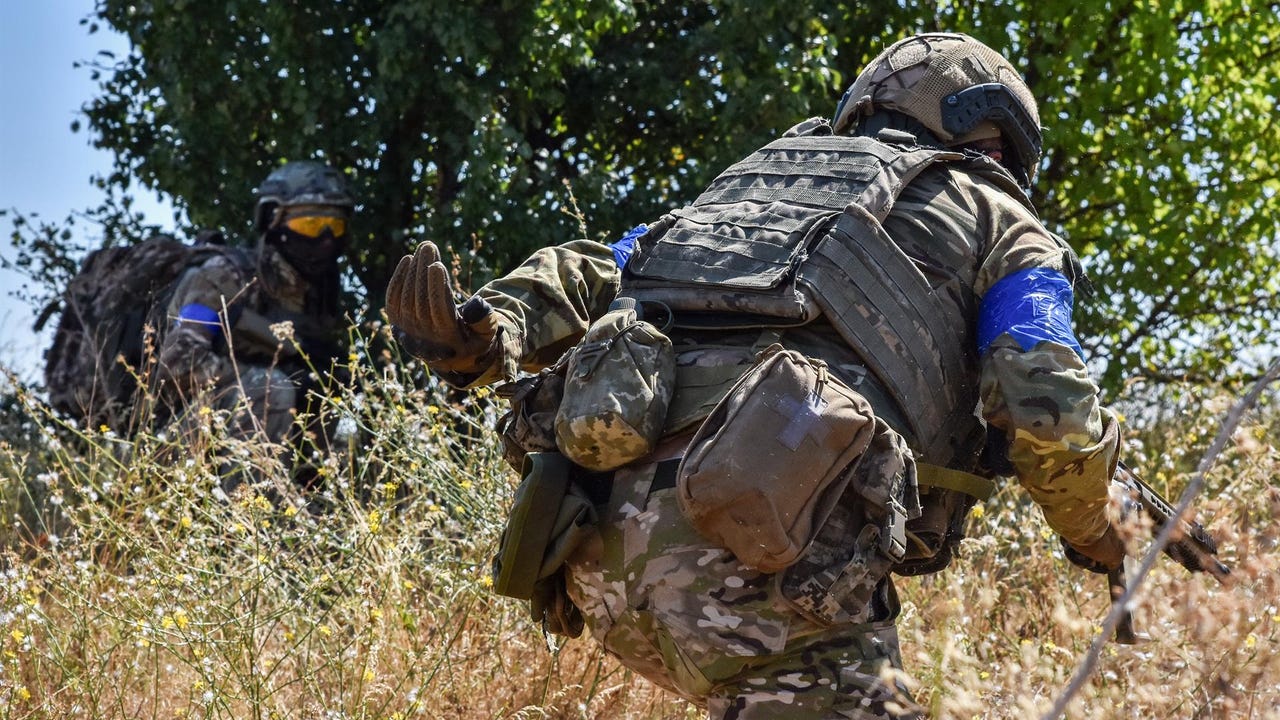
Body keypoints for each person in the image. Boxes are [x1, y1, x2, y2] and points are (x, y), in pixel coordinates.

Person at [387, 32, 1125, 719]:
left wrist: (484, 327)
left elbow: (600, 268)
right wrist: (1099, 531)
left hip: (589, 555)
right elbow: (1047, 407)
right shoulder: (1000, 219)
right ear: (1000, 138)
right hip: (766, 560)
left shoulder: (744, 193)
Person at [156, 160, 353, 485]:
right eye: (311, 225)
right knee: (270, 388)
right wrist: (259, 376)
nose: (326, 239)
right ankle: (244, 528)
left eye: (336, 227)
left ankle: (305, 511)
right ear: (272, 221)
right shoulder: (225, 276)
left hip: (257, 450)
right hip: (175, 446)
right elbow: (179, 361)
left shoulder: (318, 299)